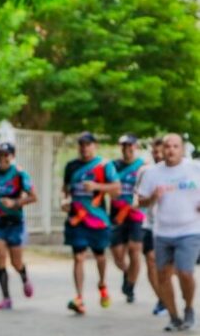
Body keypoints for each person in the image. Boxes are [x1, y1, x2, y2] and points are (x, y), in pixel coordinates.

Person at [137, 133, 200, 331]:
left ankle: (189, 308)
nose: (171, 150)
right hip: (162, 232)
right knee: (162, 275)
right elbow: (141, 201)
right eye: (167, 146)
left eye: (175, 146)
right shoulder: (152, 173)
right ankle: (174, 317)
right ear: (161, 150)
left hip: (190, 230)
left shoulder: (194, 168)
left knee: (185, 272)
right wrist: (153, 197)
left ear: (182, 149)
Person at [62, 132, 121, 315]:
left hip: (97, 219)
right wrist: (63, 201)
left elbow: (116, 188)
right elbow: (65, 190)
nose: (85, 148)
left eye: (88, 144)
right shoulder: (71, 166)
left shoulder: (104, 166)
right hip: (76, 218)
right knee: (78, 257)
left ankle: (102, 284)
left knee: (100, 256)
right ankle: (79, 297)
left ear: (94, 146)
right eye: (81, 144)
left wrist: (97, 187)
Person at [0, 142, 37, 310]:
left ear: (12, 156)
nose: (3, 158)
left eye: (6, 155)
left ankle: (24, 276)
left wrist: (14, 202)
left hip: (14, 222)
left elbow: (33, 197)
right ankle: (6, 297)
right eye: (1, 155)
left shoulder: (20, 174)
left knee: (16, 262)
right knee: (0, 257)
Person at [108, 134, 145, 303]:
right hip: (117, 214)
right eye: (123, 146)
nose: (127, 149)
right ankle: (127, 273)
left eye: (130, 145)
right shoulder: (113, 166)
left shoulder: (143, 167)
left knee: (134, 248)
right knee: (118, 256)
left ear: (135, 147)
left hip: (136, 214)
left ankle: (130, 285)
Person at [139, 138, 167, 316]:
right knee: (150, 260)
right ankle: (162, 299)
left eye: (160, 152)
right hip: (150, 225)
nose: (158, 156)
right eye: (154, 152)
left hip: (171, 227)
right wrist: (151, 198)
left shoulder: (183, 171)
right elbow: (138, 200)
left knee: (168, 267)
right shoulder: (146, 172)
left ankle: (168, 294)